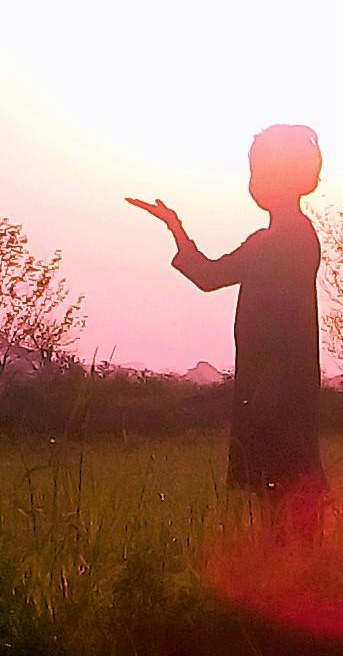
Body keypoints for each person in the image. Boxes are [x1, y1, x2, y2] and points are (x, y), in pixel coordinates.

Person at [131, 125, 327, 500]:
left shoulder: (284, 241)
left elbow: (209, 277)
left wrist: (176, 229)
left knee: (285, 486)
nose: (254, 182)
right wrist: (176, 228)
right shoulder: (282, 238)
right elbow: (209, 276)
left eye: (261, 171)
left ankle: (297, 558)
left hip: (277, 383)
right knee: (286, 487)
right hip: (272, 381)